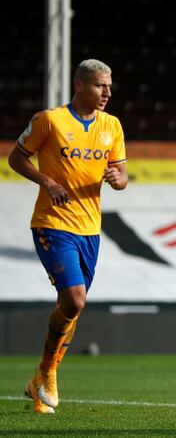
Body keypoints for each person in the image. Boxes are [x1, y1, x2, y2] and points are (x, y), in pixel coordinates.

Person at [8, 59, 128, 414]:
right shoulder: (50, 121)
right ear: (79, 85)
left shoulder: (112, 126)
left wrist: (118, 180)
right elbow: (16, 158)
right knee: (75, 300)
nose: (107, 93)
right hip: (52, 223)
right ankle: (48, 371)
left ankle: (40, 381)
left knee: (71, 308)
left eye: (109, 86)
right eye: (99, 86)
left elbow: (121, 174)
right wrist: (47, 181)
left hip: (90, 229)